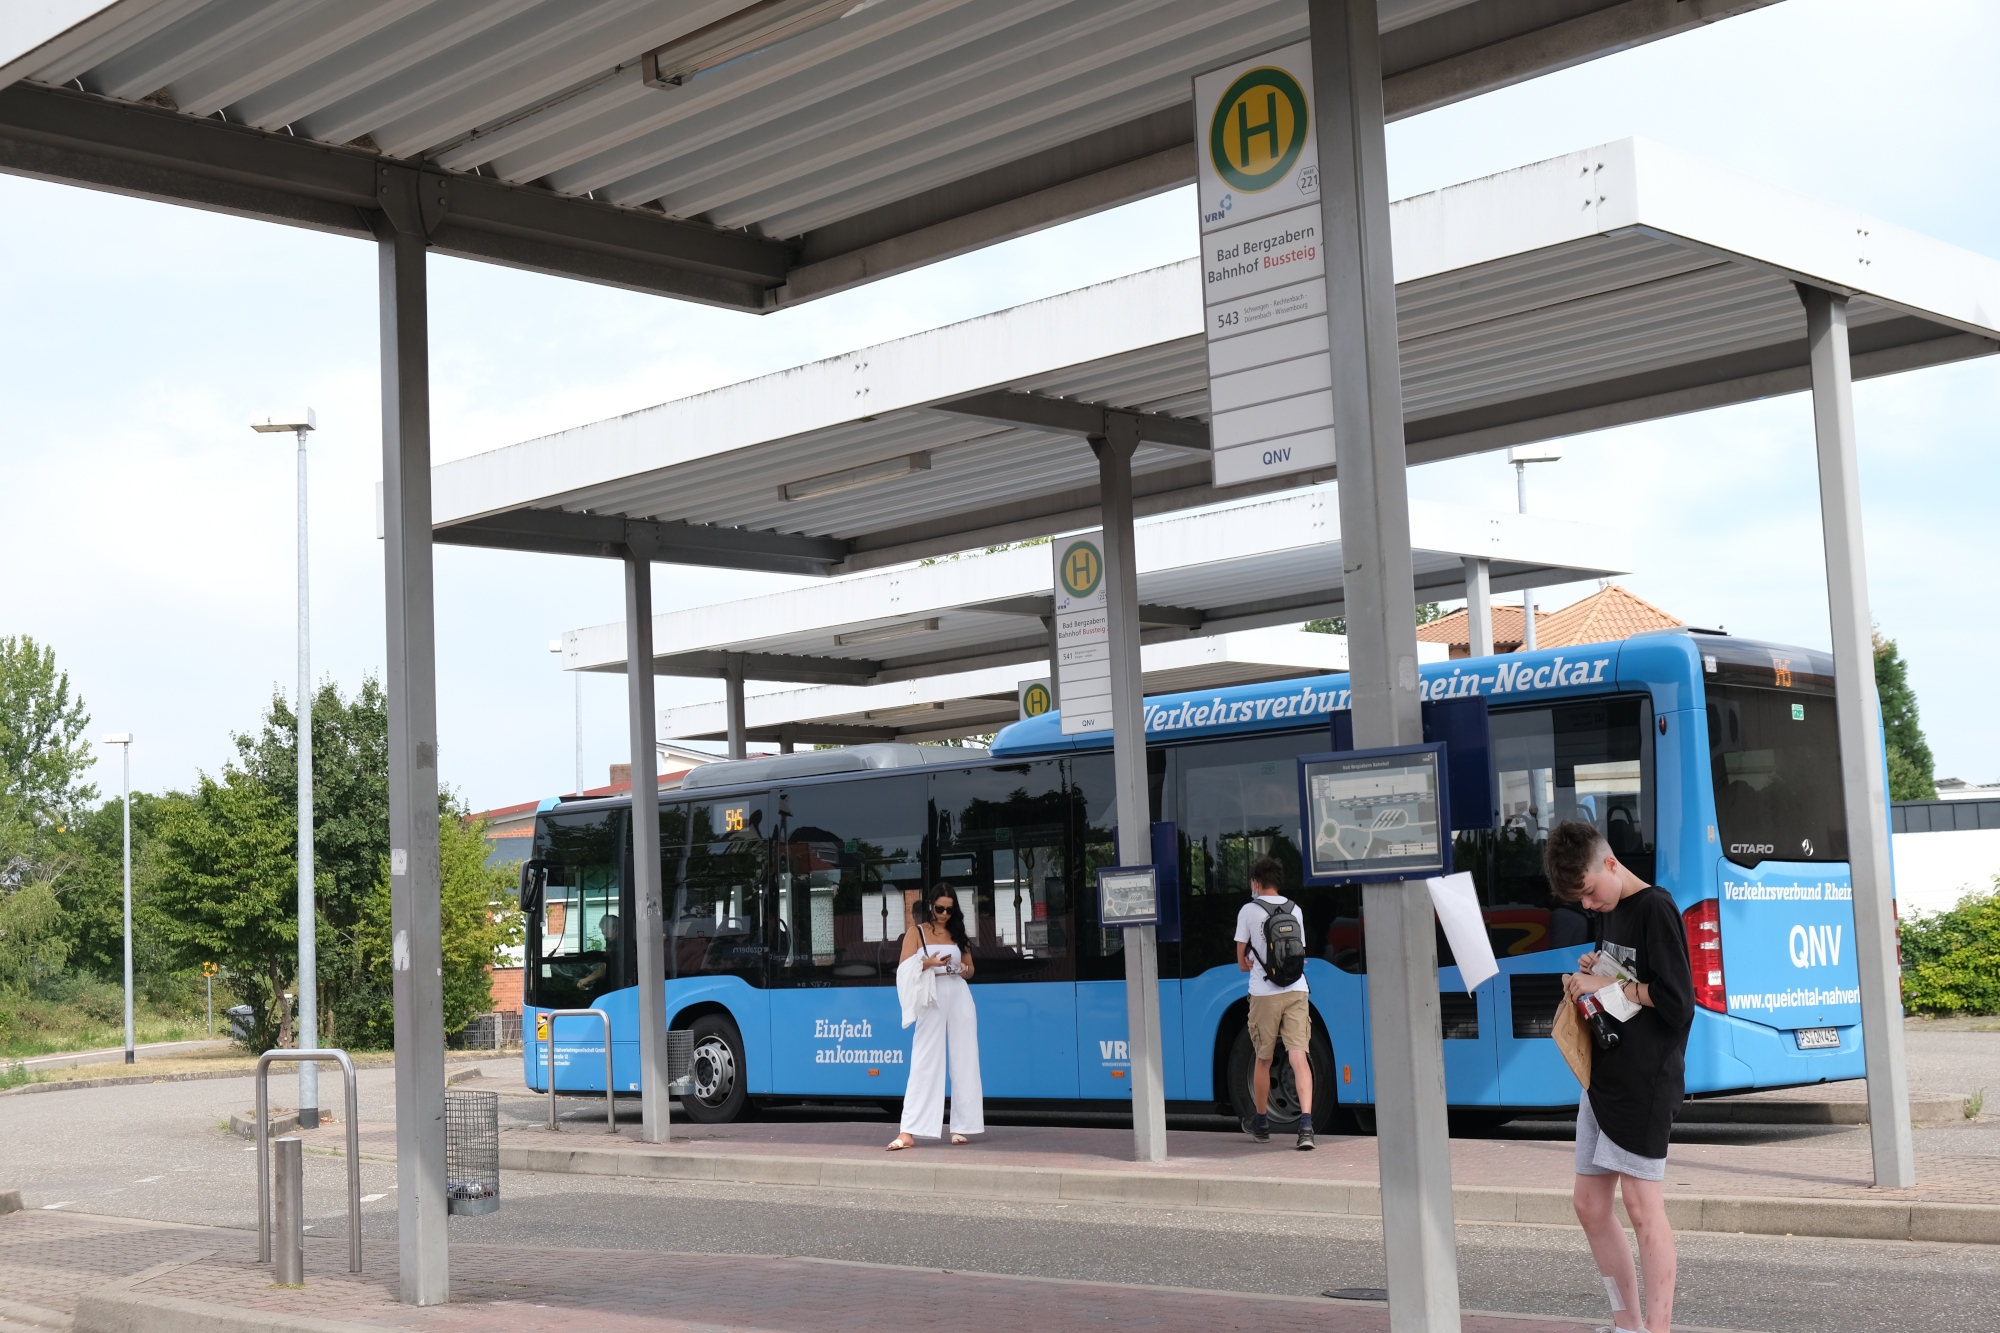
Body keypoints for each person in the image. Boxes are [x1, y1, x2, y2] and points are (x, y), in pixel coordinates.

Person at [1546, 819, 1694, 1333]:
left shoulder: (1656, 908)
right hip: (1604, 1076)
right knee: (1589, 1205)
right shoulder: (1611, 911)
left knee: (1641, 1205)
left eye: (1589, 892)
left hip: (1645, 1080)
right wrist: (1597, 969)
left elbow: (1677, 1002)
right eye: (1580, 901)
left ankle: (1656, 1329)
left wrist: (1607, 985)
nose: (1589, 905)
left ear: (1611, 863)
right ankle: (1626, 1324)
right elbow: (1626, 977)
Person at [888, 885, 984, 1150]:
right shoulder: (916, 932)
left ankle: (963, 1126)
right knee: (924, 1059)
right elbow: (903, 968)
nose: (944, 914)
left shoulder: (958, 933)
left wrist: (963, 968)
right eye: (940, 908)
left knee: (965, 1058)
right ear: (931, 905)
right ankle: (908, 1131)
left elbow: (971, 969)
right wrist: (929, 962)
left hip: (959, 992)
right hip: (932, 993)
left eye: (949, 910)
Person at [1233, 856, 1315, 1150]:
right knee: (1298, 1057)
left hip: (1264, 994)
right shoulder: (1295, 910)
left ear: (1256, 882)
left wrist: (1250, 961)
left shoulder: (1249, 911)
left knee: (1263, 1059)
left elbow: (1242, 960)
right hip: (1297, 990)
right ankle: (1306, 1127)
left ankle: (1261, 1123)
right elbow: (1300, 953)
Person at [578, 913, 621, 994]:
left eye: (605, 934)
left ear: (614, 928)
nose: (605, 938)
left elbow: (608, 965)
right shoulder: (618, 943)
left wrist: (587, 979)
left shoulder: (617, 944)